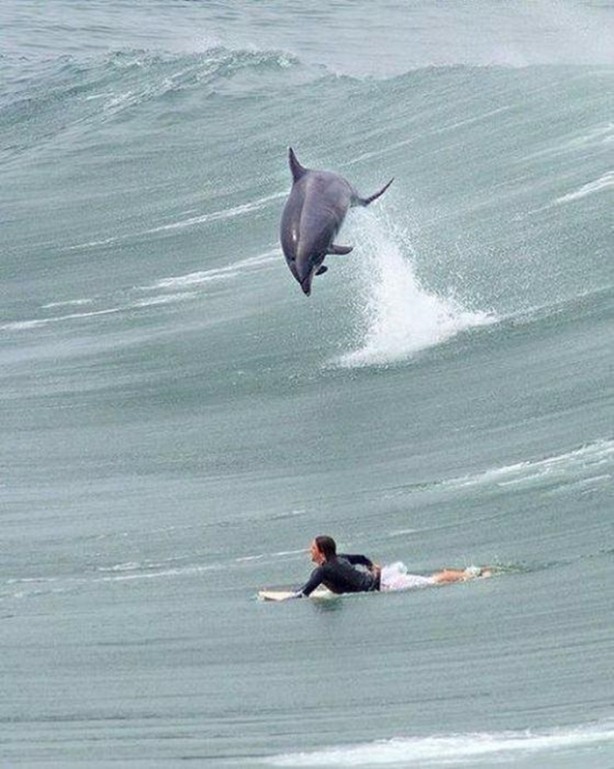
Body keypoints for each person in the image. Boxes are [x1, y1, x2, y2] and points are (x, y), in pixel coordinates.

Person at [292, 535, 485, 598]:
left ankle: (471, 575)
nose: (310, 551)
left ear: (321, 552)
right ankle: (469, 574)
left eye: (312, 548)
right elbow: (360, 557)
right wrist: (370, 566)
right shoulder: (339, 558)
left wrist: (286, 599)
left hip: (385, 584)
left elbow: (304, 593)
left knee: (432, 581)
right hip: (383, 577)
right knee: (431, 579)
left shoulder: (322, 570)